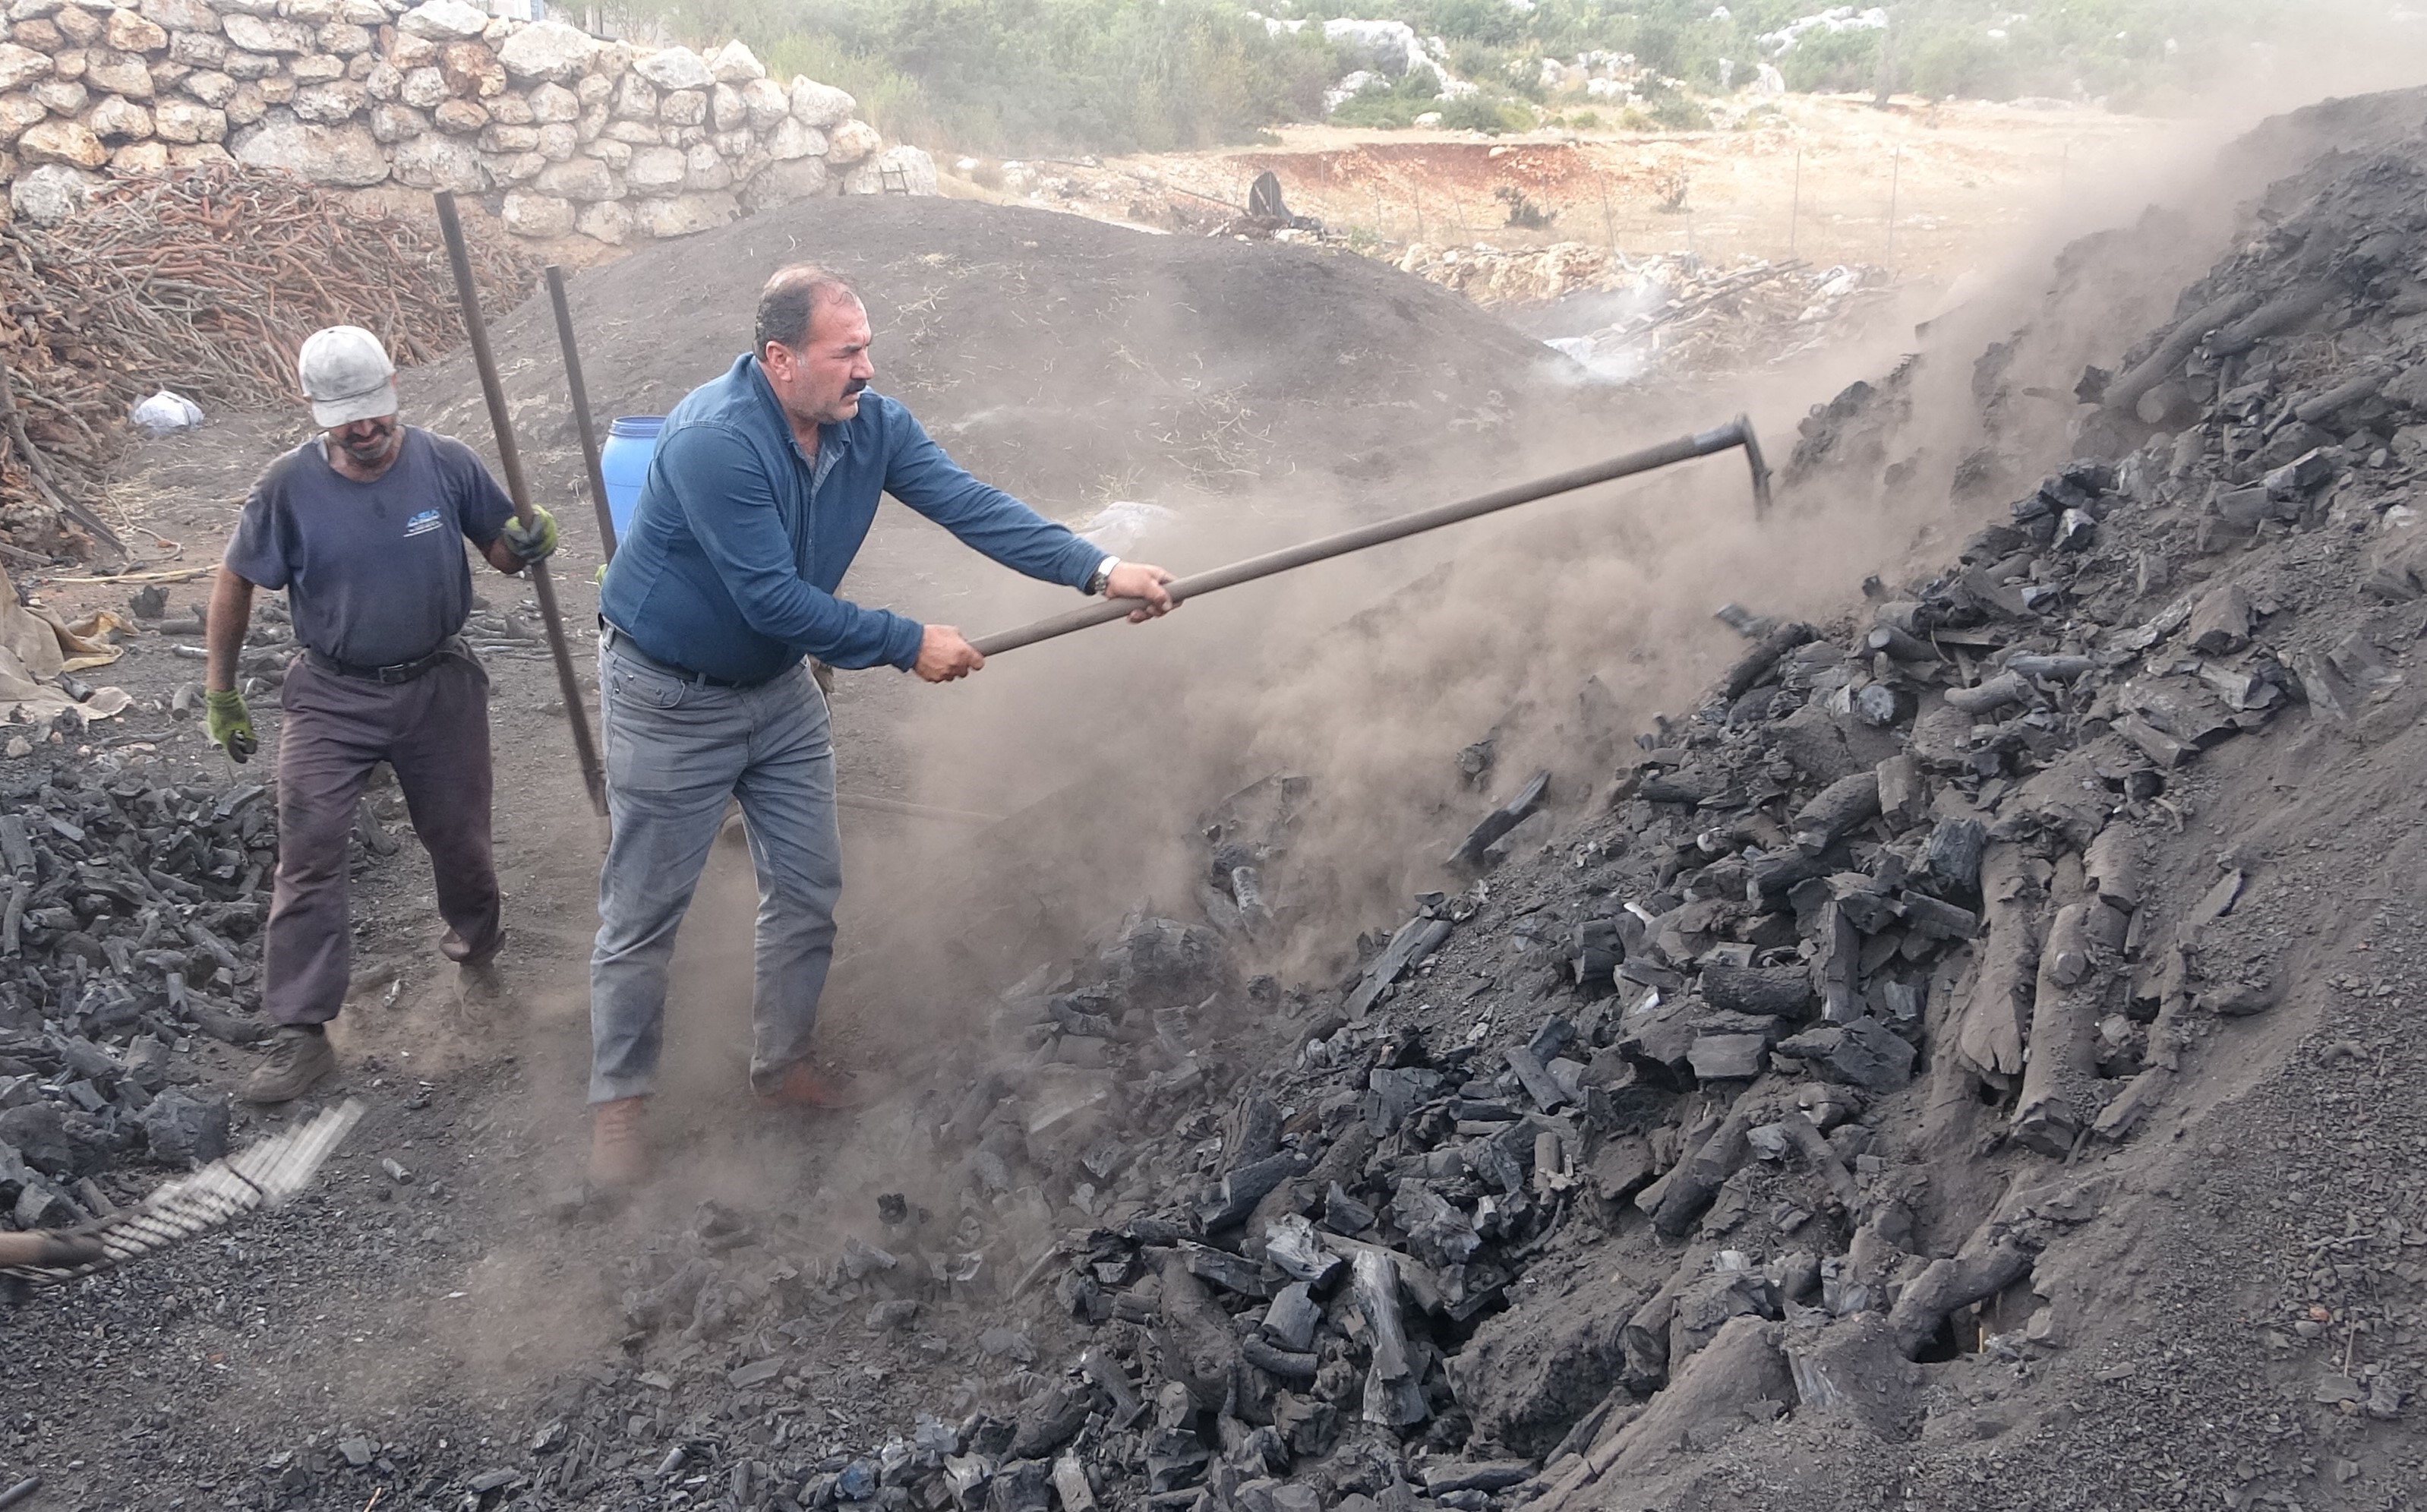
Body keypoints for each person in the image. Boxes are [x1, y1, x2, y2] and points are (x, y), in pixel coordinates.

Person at [585, 264, 1176, 1186]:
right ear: (780, 359)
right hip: (671, 695)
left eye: (867, 347)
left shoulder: (871, 428)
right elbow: (772, 597)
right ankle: (619, 1101)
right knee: (645, 908)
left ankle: (781, 1068)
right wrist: (906, 643)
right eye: (846, 352)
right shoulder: (715, 442)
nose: (867, 369)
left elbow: (973, 506)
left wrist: (1098, 571)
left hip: (778, 692)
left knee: (810, 885)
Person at [204, 326, 559, 1104]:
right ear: (315, 410)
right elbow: (236, 580)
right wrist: (221, 688)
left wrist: (528, 541)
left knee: (461, 839)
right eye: (345, 416)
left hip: (438, 683)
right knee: (309, 849)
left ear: (393, 389)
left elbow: (501, 552)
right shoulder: (285, 487)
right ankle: (303, 1031)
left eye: (374, 409)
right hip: (332, 691)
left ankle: (476, 958)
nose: (364, 428)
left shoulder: (446, 460)